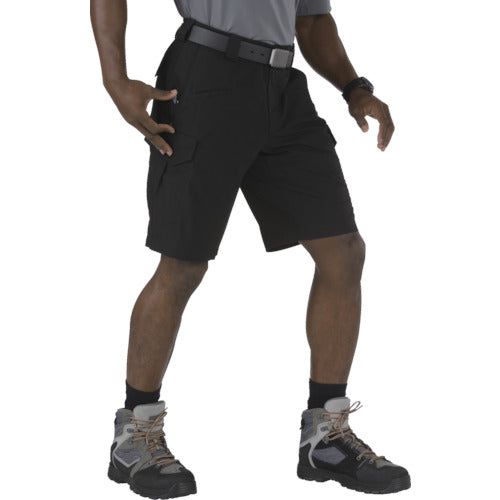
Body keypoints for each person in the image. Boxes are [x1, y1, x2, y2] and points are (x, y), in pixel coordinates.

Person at [91, 0, 409, 497]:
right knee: (183, 266)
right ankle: (135, 434)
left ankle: (325, 437)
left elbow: (311, 19)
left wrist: (354, 87)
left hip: (283, 90)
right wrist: (115, 79)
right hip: (205, 79)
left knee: (344, 251)